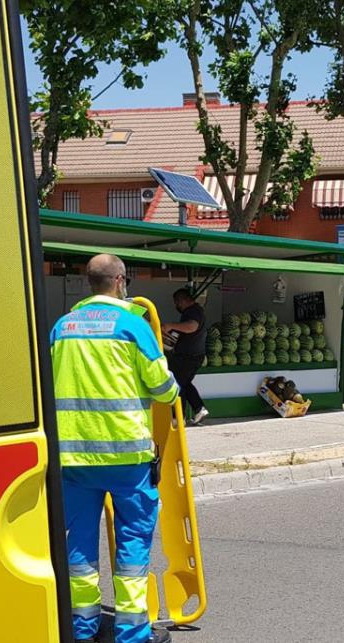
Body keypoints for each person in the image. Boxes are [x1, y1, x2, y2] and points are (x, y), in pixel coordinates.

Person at [50, 254, 179, 643]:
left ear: (88, 282)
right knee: (132, 546)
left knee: (80, 547)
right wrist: (172, 389)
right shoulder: (132, 325)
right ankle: (132, 632)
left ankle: (82, 627)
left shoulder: (61, 327)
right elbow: (161, 386)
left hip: (72, 458)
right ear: (120, 281)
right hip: (127, 457)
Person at [163, 288, 209, 426]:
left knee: (178, 384)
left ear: (181, 301)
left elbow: (191, 327)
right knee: (185, 383)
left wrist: (171, 325)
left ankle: (179, 417)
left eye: (177, 303)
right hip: (193, 355)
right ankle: (199, 409)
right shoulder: (194, 311)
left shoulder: (194, 311)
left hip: (188, 357)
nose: (176, 306)